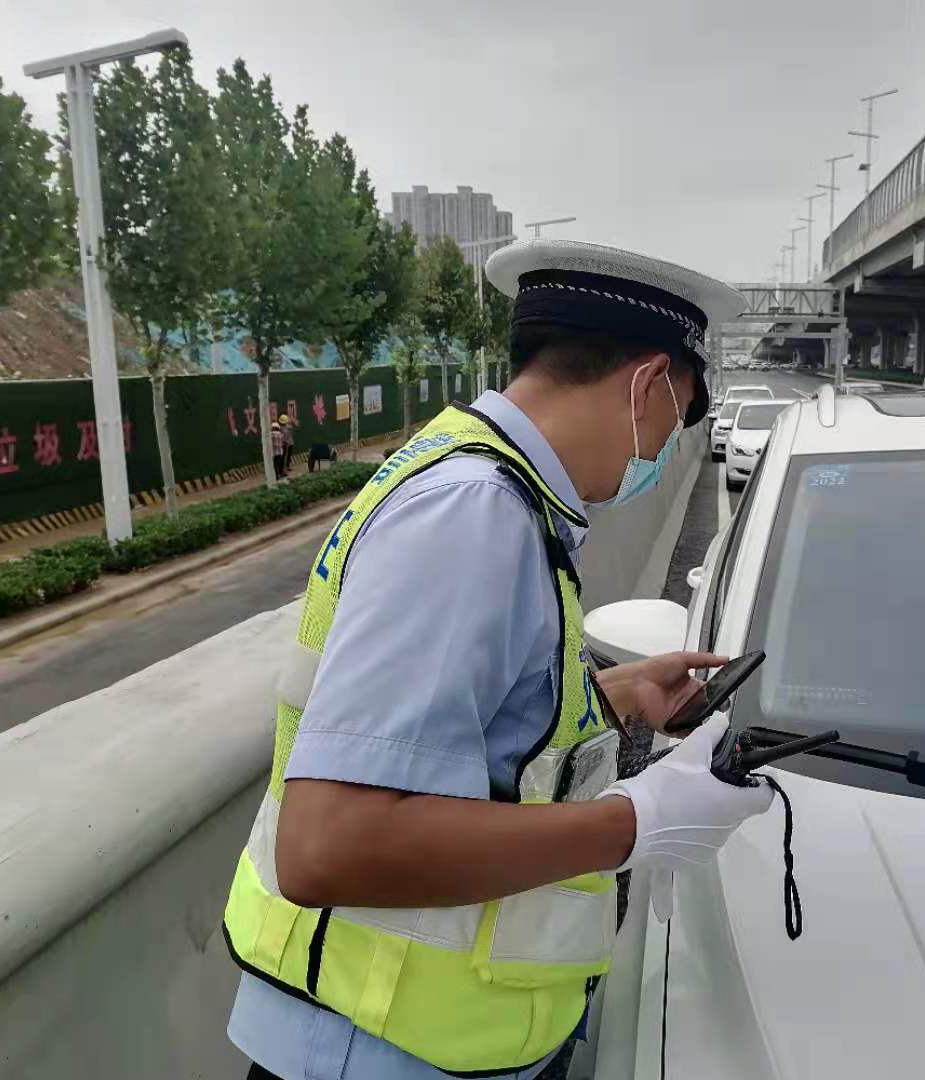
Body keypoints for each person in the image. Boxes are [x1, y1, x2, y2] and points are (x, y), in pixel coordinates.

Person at [222, 240, 772, 1080]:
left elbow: (449, 730)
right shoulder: (472, 512)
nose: (667, 445)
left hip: (401, 1038)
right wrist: (637, 822)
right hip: (376, 1051)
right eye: (682, 416)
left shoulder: (481, 483)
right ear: (649, 383)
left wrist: (617, 696)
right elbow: (326, 845)